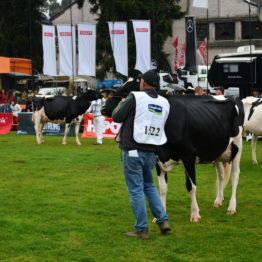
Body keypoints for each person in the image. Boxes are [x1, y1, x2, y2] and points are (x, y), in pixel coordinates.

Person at [112, 70, 171, 240]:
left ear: (143, 83)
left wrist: (122, 103)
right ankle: (163, 221)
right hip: (152, 150)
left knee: (136, 189)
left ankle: (141, 229)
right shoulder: (164, 102)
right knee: (149, 186)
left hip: (132, 149)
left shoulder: (135, 97)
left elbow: (116, 116)